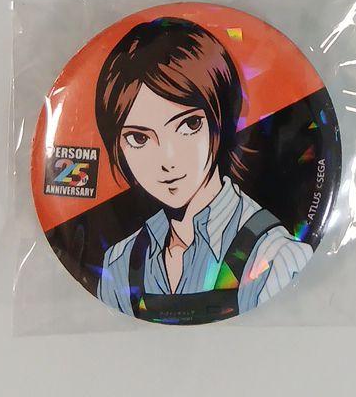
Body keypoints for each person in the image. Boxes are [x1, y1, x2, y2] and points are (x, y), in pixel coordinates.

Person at [94, 17, 311, 322]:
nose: (167, 160)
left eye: (189, 124)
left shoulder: (274, 256)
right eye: (139, 138)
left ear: (219, 120)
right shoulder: (119, 262)